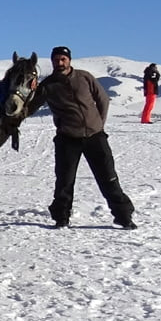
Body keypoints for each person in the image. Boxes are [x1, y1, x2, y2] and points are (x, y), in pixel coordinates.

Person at [38, 46, 136, 230]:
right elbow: (30, 106)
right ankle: (62, 217)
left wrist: (98, 123)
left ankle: (123, 217)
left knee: (108, 178)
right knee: (64, 180)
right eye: (56, 60)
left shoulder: (84, 77)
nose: (60, 63)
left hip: (95, 137)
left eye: (63, 59)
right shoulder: (48, 85)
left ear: (69, 60)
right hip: (67, 138)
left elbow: (103, 99)